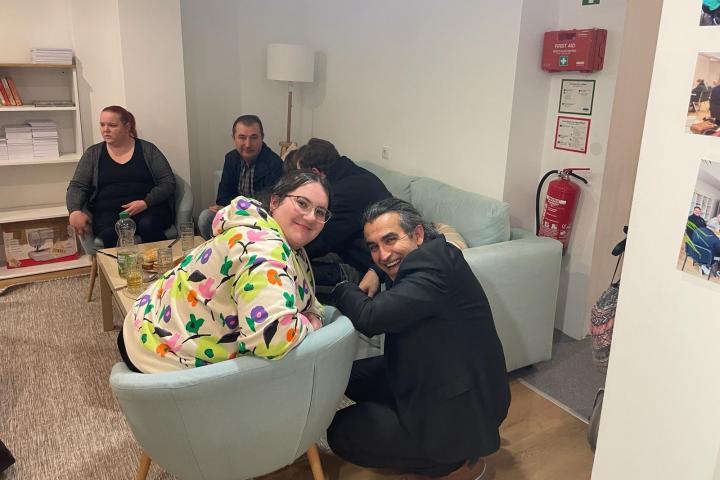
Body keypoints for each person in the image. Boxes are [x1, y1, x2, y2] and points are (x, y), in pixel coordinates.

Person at [327, 198, 511, 480]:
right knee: (348, 377)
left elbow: (371, 317)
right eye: (374, 247)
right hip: (436, 376)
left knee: (340, 432)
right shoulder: (435, 253)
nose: (383, 254)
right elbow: (391, 273)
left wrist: (341, 287)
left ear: (418, 234)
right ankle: (415, 438)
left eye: (390, 240)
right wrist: (376, 272)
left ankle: (449, 463)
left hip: (460, 411)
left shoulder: (433, 270)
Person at [119, 171, 331, 373]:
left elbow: (305, 296)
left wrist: (313, 312)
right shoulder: (264, 248)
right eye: (302, 203)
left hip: (148, 317)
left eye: (320, 212)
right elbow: (271, 339)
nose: (311, 217)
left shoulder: (276, 235)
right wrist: (312, 323)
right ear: (275, 201)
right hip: (154, 348)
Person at [66, 106, 176, 246]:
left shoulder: (148, 149)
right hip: (108, 214)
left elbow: (168, 182)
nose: (105, 130)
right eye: (102, 125)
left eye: (112, 125)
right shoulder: (92, 154)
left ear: (127, 127)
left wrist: (146, 202)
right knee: (109, 234)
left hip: (148, 209)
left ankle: (157, 259)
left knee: (149, 225)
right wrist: (74, 210)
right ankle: (118, 261)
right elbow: (77, 186)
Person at [293, 138, 392, 289]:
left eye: (302, 177)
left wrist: (285, 250)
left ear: (316, 173)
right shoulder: (354, 174)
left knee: (291, 271)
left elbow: (320, 242)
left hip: (366, 268)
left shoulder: (341, 194)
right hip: (353, 252)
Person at [198, 115, 283, 239]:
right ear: (234, 138)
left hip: (261, 220)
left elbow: (269, 206)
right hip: (235, 215)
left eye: (254, 137)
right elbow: (223, 197)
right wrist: (231, 210)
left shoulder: (274, 163)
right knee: (205, 217)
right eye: (242, 137)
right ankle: (222, 249)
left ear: (262, 138)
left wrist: (239, 213)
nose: (248, 144)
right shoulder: (231, 158)